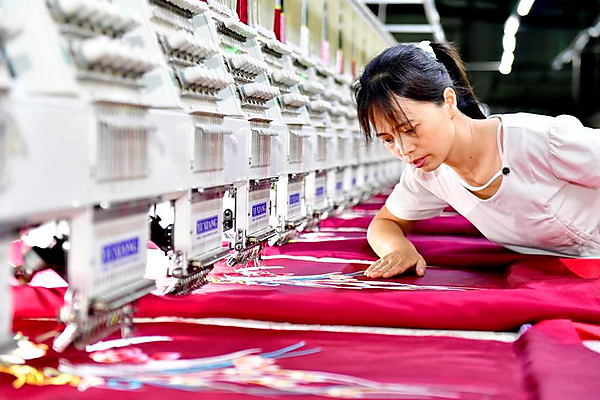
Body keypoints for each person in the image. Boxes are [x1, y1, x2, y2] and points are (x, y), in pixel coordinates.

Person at [353, 42, 600, 279]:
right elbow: (385, 223)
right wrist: (398, 249)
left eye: (410, 129)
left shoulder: (541, 140)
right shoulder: (428, 175)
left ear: (448, 102)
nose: (404, 149)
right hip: (575, 272)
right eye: (388, 139)